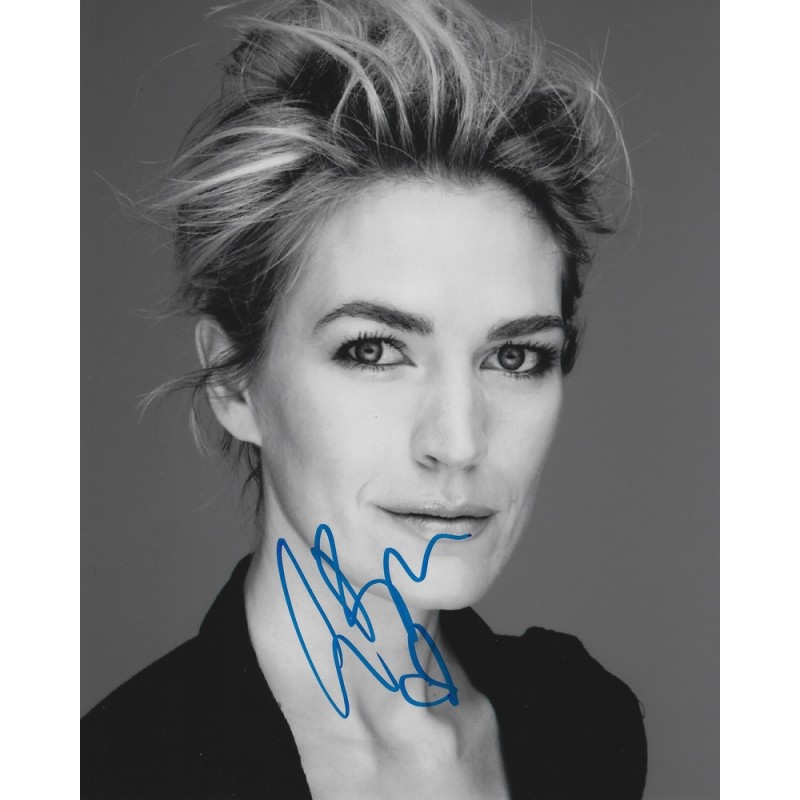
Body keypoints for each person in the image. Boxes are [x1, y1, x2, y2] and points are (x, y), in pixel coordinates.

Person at [81, 0, 647, 797]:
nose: (457, 441)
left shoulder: (582, 726)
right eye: (374, 350)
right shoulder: (115, 774)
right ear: (234, 381)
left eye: (515, 356)